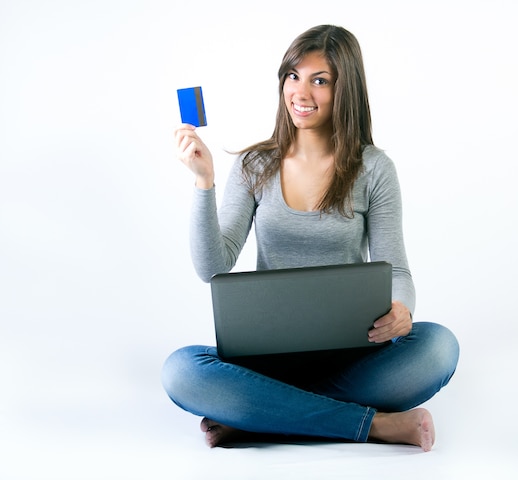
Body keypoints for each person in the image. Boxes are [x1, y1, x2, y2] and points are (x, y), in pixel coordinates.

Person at [162, 24, 459, 451]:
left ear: (345, 90)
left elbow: (397, 270)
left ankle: (258, 417)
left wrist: (402, 308)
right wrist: (204, 182)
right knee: (180, 371)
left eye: (320, 81)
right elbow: (213, 267)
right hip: (266, 365)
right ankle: (373, 425)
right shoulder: (254, 165)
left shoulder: (374, 169)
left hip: (352, 360)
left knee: (439, 347)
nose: (301, 92)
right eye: (293, 76)